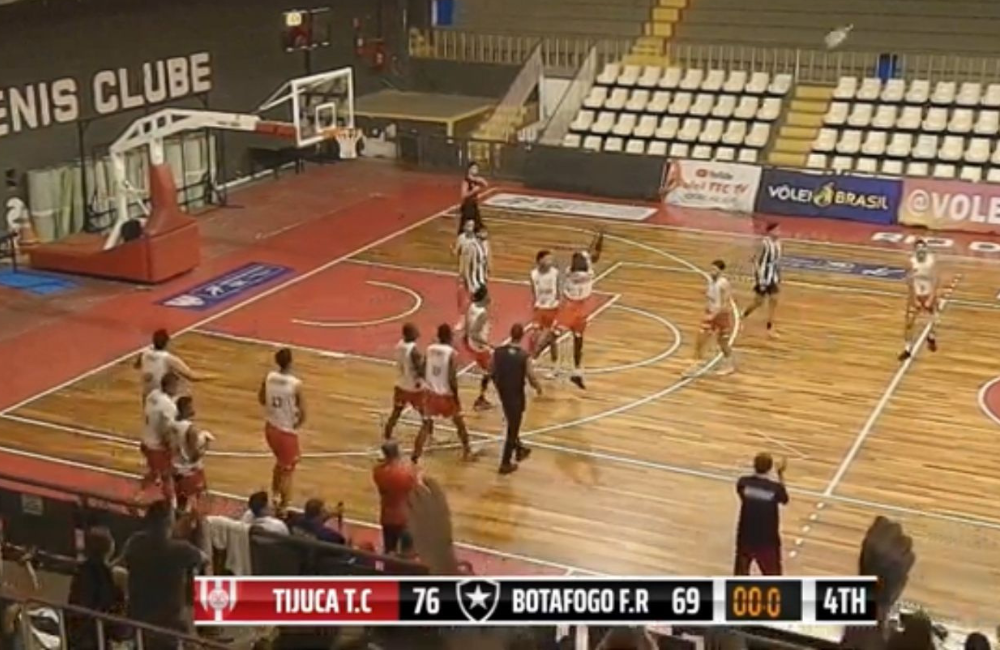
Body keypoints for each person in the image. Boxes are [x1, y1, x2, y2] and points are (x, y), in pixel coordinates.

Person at [117, 500, 207, 647]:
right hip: (170, 625)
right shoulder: (181, 549)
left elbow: (118, 565)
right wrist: (196, 528)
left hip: (138, 620)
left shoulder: (135, 542)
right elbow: (204, 558)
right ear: (169, 522)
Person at [547, 231, 604, 390]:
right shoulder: (589, 272)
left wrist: (595, 243)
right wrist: (599, 239)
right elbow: (595, 254)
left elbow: (590, 254)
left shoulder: (570, 273)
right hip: (583, 309)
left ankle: (554, 367)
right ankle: (577, 369)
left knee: (553, 335)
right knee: (578, 340)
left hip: (569, 307)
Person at [412, 324, 476, 463]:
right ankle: (467, 450)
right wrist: (456, 395)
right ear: (449, 337)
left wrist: (427, 383)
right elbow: (451, 377)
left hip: (430, 394)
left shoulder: (430, 349)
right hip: (446, 395)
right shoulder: (451, 353)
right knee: (459, 423)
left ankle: (415, 455)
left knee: (425, 426)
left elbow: (422, 370)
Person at [259, 348, 306, 511]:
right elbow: (303, 413)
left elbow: (261, 399)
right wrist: (296, 424)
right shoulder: (296, 384)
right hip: (285, 432)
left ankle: (275, 495)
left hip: (270, 427)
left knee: (280, 464)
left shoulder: (269, 377)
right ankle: (284, 507)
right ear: (291, 361)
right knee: (288, 471)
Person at [493, 323, 542, 475]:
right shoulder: (523, 356)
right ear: (522, 336)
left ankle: (519, 448)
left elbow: (491, 370)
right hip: (515, 393)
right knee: (513, 428)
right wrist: (538, 386)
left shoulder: (498, 352)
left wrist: (498, 384)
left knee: (511, 419)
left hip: (503, 392)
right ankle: (505, 463)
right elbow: (531, 376)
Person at [66, 527, 126, 649]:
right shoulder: (104, 574)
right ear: (109, 547)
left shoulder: (81, 570)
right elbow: (106, 603)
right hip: (94, 636)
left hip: (78, 634)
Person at [734, 452, 788, 576]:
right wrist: (780, 474)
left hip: (745, 537)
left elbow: (742, 494)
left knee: (740, 575)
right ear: (770, 468)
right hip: (767, 541)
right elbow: (784, 499)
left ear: (754, 465)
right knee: (773, 576)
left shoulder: (743, 483)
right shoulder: (775, 489)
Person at [685, 259, 736, 377]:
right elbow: (710, 299)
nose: (712, 272)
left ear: (721, 271)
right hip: (711, 313)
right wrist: (707, 310)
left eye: (714, 270)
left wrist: (715, 314)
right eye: (711, 269)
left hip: (721, 316)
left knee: (722, 343)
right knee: (701, 337)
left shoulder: (723, 283)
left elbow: (725, 302)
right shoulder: (711, 282)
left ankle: (729, 365)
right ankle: (695, 363)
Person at [372, 440, 418, 556]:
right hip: (406, 517)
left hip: (387, 516)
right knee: (407, 551)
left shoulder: (378, 472)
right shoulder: (407, 473)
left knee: (389, 549)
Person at [139, 372, 181, 500]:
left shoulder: (152, 396)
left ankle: (138, 495)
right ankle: (170, 507)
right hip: (158, 447)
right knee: (166, 476)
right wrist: (171, 448)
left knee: (153, 472)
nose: (177, 389)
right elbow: (165, 429)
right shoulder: (169, 406)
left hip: (146, 442)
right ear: (168, 386)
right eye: (175, 386)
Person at [133, 328, 201, 400]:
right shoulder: (169, 359)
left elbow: (136, 366)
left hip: (147, 394)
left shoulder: (144, 353)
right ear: (167, 342)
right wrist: (212, 376)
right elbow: (192, 376)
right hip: (163, 399)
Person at [899, 240, 940, 361]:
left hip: (928, 293)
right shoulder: (910, 262)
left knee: (935, 319)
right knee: (909, 323)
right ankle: (907, 349)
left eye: (923, 248)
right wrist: (914, 299)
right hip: (916, 293)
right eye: (918, 248)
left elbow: (936, 280)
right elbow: (909, 282)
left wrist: (931, 297)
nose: (921, 251)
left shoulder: (932, 261)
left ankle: (931, 337)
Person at [171, 396, 214, 509]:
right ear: (184, 409)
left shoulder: (172, 424)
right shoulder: (191, 429)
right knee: (199, 503)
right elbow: (194, 456)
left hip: (175, 468)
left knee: (180, 501)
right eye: (190, 406)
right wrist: (206, 444)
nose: (193, 409)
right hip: (190, 471)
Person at [384, 323, 424, 440]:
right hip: (414, 388)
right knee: (425, 414)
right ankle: (429, 435)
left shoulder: (399, 345)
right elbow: (420, 369)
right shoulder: (414, 351)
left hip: (400, 385)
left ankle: (387, 435)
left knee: (396, 412)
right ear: (411, 334)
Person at [742, 223, 782, 339]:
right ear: (770, 231)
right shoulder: (763, 243)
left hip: (773, 277)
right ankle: (742, 316)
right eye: (776, 230)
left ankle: (770, 328)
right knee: (758, 302)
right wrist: (760, 279)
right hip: (763, 277)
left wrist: (778, 275)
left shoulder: (779, 244)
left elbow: (777, 262)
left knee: (774, 300)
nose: (779, 232)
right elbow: (755, 260)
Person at [529, 249, 561, 369]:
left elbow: (558, 291)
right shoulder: (533, 274)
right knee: (537, 336)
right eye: (547, 259)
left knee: (548, 337)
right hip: (539, 308)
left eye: (551, 259)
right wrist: (535, 306)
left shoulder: (555, 273)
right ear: (540, 260)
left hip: (552, 308)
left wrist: (558, 308)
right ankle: (554, 364)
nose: (550, 261)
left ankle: (535, 358)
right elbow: (533, 292)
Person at [464, 286, 494, 411]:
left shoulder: (471, 307)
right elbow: (474, 333)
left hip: (472, 344)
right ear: (483, 297)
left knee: (490, 371)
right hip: (480, 346)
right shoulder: (482, 313)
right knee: (490, 371)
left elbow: (466, 326)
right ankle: (480, 399)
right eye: (487, 295)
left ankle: (482, 397)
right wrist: (489, 344)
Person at [459, 161, 487, 234]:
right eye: (474, 168)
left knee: (478, 226)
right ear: (469, 169)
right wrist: (473, 191)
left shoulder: (475, 180)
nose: (476, 170)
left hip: (474, 205)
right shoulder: (466, 181)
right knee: (466, 225)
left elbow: (485, 184)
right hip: (468, 206)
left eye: (477, 168)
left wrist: (479, 179)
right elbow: (463, 195)